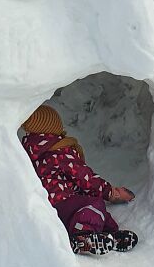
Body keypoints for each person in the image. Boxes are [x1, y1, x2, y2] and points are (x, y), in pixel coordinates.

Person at [20, 105, 138, 256]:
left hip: (45, 207)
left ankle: (108, 235)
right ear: (53, 127)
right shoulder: (59, 151)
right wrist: (110, 192)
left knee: (97, 213)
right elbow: (84, 178)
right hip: (61, 202)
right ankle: (83, 237)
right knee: (95, 204)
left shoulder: (28, 151)